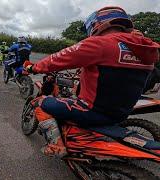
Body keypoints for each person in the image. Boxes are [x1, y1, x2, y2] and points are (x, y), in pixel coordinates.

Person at [24, 6, 160, 157]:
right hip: (121, 113)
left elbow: (56, 59)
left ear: (96, 24)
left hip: (93, 111)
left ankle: (56, 146)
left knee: (40, 103)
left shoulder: (100, 43)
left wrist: (33, 68)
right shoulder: (147, 52)